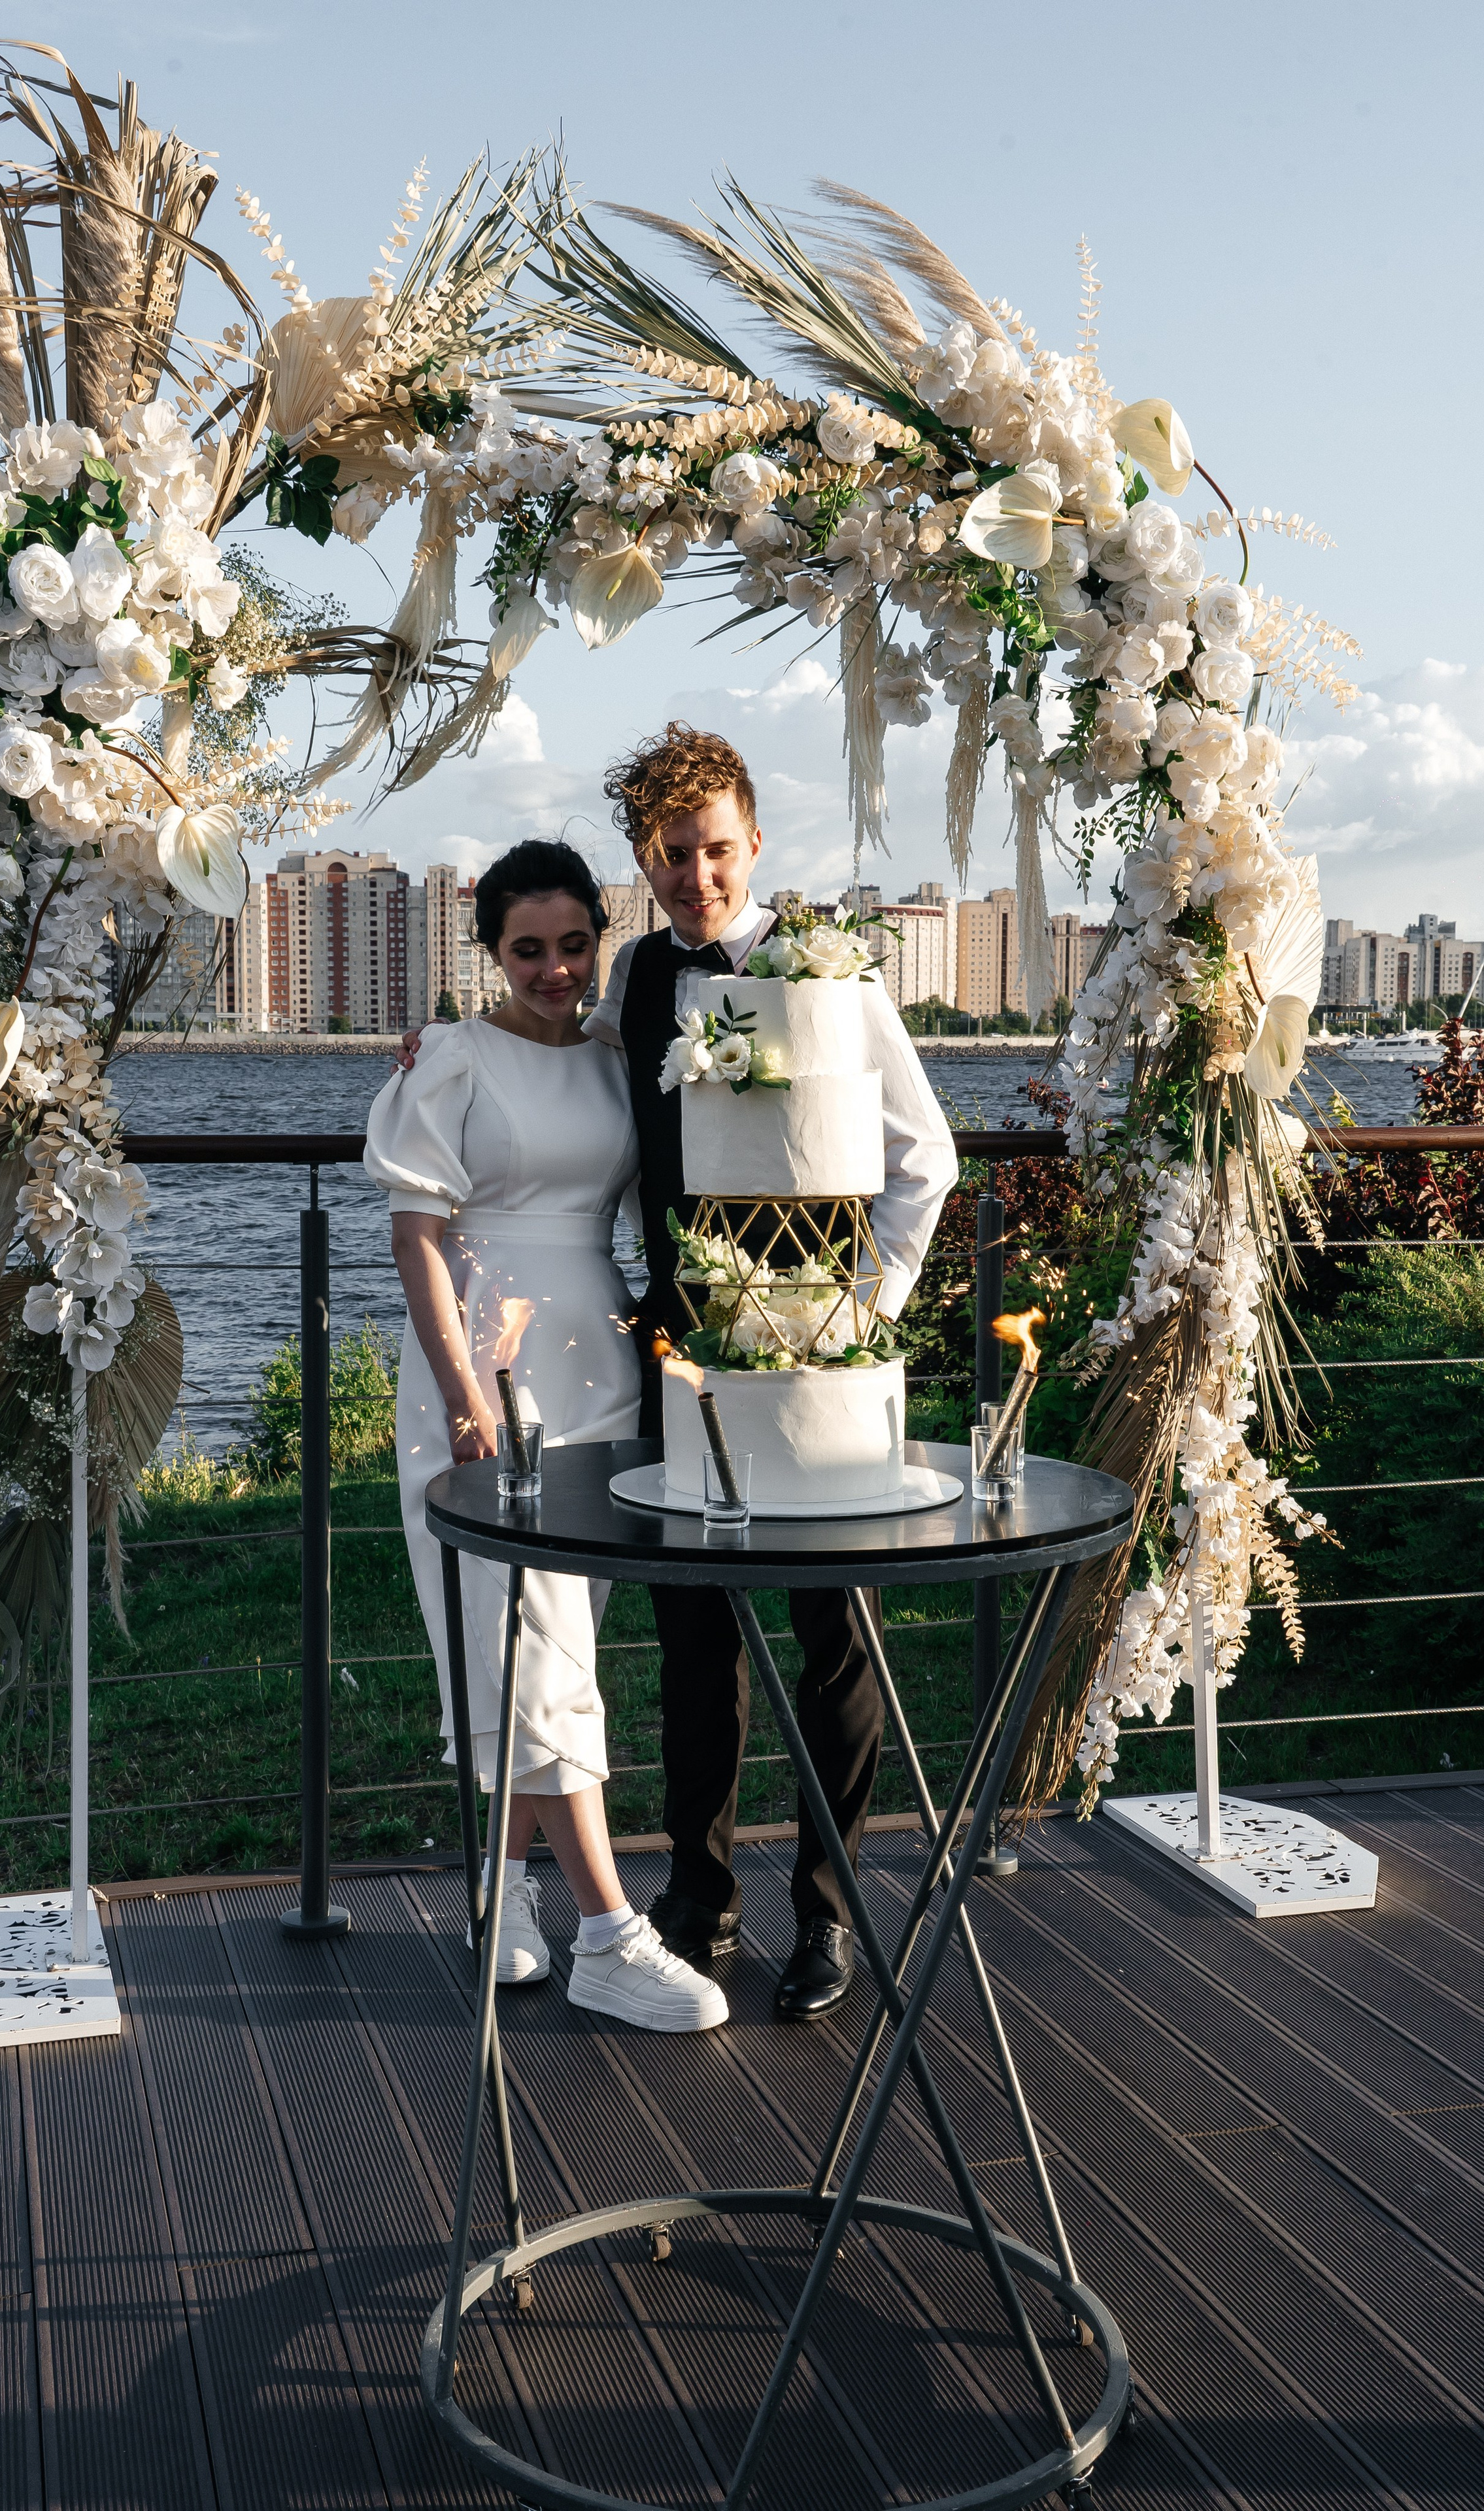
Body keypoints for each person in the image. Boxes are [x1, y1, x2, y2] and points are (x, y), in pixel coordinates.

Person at [583, 725, 959, 2019]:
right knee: (690, 1634)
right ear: (644, 860)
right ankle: (698, 1897)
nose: (697, 875)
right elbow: (577, 1111)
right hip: (681, 1348)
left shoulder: (829, 976)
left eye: (716, 850)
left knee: (832, 1636)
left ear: (753, 844)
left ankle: (828, 1912)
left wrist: (859, 1311)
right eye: (672, 855)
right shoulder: (635, 981)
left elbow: (925, 1158)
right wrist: (441, 1065)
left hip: (817, 1349)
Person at [366, 838, 726, 2034]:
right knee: (526, 1636)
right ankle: (612, 1932)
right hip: (490, 1367)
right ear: (491, 951)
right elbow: (418, 1233)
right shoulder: (454, 1061)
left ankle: (505, 1889)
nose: (558, 969)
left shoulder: (624, 1057)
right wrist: (465, 1389)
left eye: (576, 945)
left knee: (548, 1648)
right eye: (530, 949)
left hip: (602, 1363)